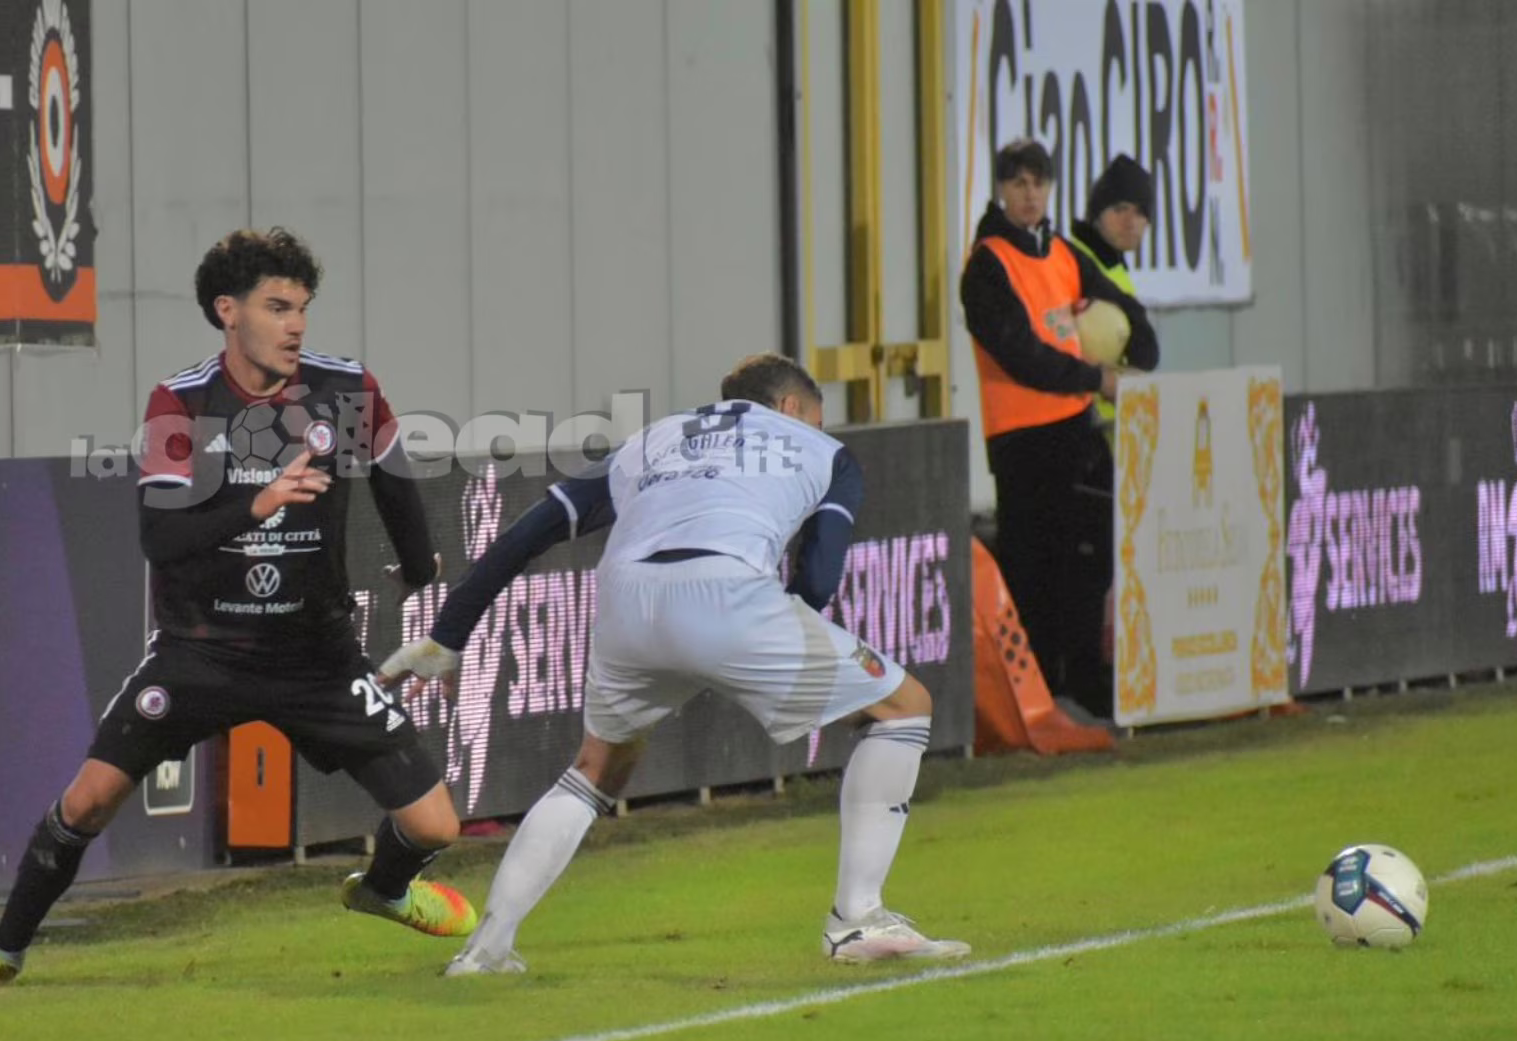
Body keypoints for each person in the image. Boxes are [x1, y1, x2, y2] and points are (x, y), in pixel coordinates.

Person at [0, 228, 475, 987]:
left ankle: (383, 890)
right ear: (228, 311)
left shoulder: (346, 388)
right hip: (202, 651)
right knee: (89, 800)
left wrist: (419, 567)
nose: (296, 325)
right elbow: (161, 538)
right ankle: (1, 952)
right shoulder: (183, 403)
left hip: (317, 658)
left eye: (302, 308)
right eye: (277, 307)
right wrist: (259, 502)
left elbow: (394, 481)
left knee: (435, 826)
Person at [378, 352, 968, 976]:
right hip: (729, 592)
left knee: (593, 770)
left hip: (627, 600)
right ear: (792, 406)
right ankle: (857, 918)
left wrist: (447, 636)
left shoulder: (651, 440)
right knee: (904, 708)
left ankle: (485, 949)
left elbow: (527, 535)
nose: (818, 430)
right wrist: (774, 639)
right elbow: (819, 574)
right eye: (815, 419)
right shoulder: (824, 452)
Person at [961, 139, 1158, 719]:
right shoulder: (987, 265)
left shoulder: (1063, 255)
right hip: (1022, 440)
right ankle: (1042, 692)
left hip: (1075, 430)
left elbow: (1132, 319)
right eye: (1019, 184)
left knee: (1090, 565)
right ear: (1002, 189)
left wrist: (1133, 346)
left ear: (1050, 189)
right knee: (1035, 573)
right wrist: (1097, 377)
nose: (1030, 195)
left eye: (1039, 184)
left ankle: (1087, 682)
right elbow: (1021, 355)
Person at [1067, 154, 1157, 427]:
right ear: (1097, 213)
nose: (1130, 222)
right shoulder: (1071, 262)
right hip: (1080, 423)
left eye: (1140, 213)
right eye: (1120, 209)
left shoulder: (1113, 266)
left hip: (1113, 422)